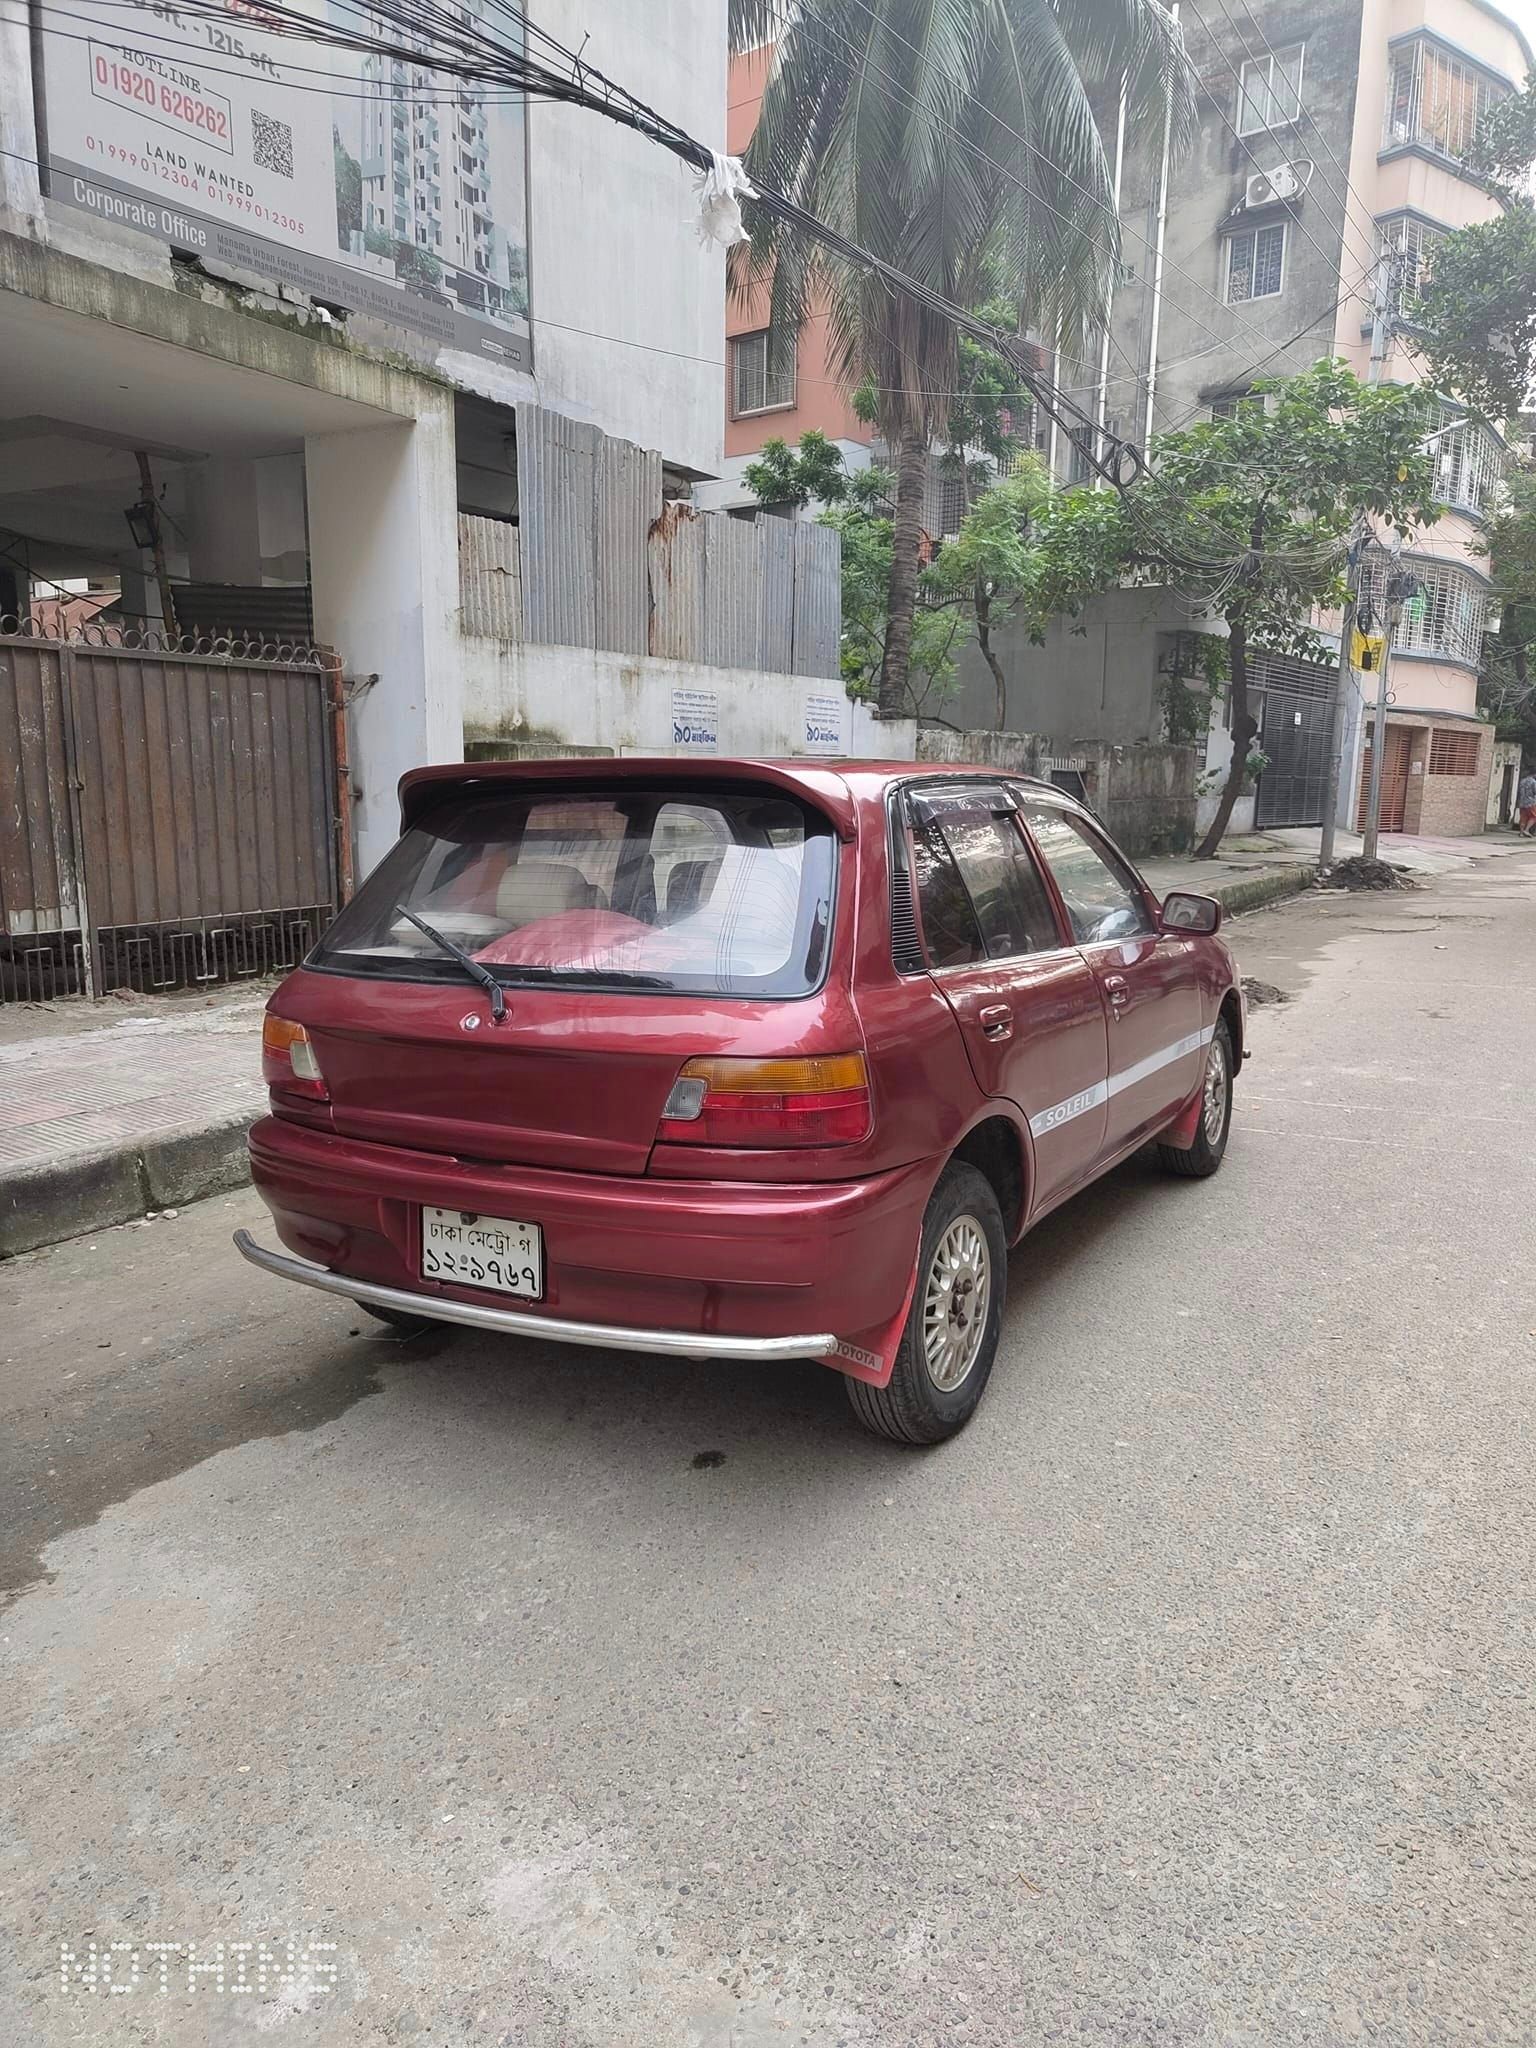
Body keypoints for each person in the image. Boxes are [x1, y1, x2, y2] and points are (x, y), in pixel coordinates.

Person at [1518, 768, 1536, 837]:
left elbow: (1519, 791)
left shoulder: (1522, 781)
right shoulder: (1533, 782)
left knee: (1523, 817)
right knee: (1534, 816)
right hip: (1531, 802)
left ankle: (1521, 832)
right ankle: (1526, 830)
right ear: (1534, 774)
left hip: (1522, 802)